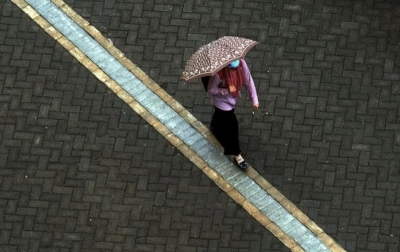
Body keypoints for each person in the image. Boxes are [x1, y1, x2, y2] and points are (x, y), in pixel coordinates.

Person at [206, 58, 259, 169]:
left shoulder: (241, 63)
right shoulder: (218, 74)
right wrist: (227, 90)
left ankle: (214, 126)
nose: (235, 69)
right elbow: (211, 89)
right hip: (222, 102)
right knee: (232, 127)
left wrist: (254, 100)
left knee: (220, 116)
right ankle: (236, 154)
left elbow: (248, 80)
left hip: (232, 99)